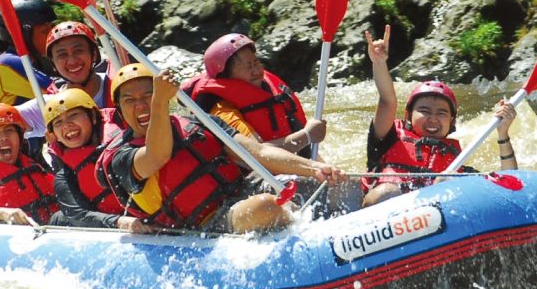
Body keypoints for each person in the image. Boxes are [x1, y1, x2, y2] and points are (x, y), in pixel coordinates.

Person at [97, 63, 346, 234]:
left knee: (335, 187)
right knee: (266, 206)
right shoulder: (121, 156)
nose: (141, 106)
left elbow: (258, 154)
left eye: (148, 97)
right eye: (130, 100)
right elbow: (158, 154)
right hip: (205, 224)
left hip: (241, 191)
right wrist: (159, 101)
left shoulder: (199, 124)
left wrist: (315, 168)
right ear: (118, 110)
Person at [362, 25, 517, 207]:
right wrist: (379, 63)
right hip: (385, 224)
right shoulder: (387, 138)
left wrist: (503, 133)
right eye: (425, 111)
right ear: (408, 116)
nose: (433, 118)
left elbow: (510, 184)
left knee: (447, 183)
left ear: (451, 121)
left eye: (441, 113)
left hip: (438, 222)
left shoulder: (457, 164)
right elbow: (388, 100)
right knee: (388, 192)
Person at [182, 33, 325, 156]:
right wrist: (307, 135)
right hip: (251, 179)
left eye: (256, 63)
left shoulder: (269, 91)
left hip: (285, 169)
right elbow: (258, 155)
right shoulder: (222, 111)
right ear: (225, 76)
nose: (256, 71)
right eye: (246, 67)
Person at [43, 88, 149, 232]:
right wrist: (118, 222)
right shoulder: (65, 177)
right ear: (53, 136)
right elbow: (77, 215)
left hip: (152, 216)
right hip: (116, 226)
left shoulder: (126, 144)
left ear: (93, 116)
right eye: (58, 123)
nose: (67, 125)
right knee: (58, 218)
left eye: (73, 115)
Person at [0, 0, 57, 106]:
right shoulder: (7, 64)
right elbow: (58, 98)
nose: (52, 35)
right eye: (45, 31)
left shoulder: (35, 62)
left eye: (53, 27)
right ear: (23, 35)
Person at [42, 21, 114, 107]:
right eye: (62, 55)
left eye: (78, 51)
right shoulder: (49, 103)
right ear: (53, 63)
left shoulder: (118, 87)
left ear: (94, 54)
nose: (72, 62)